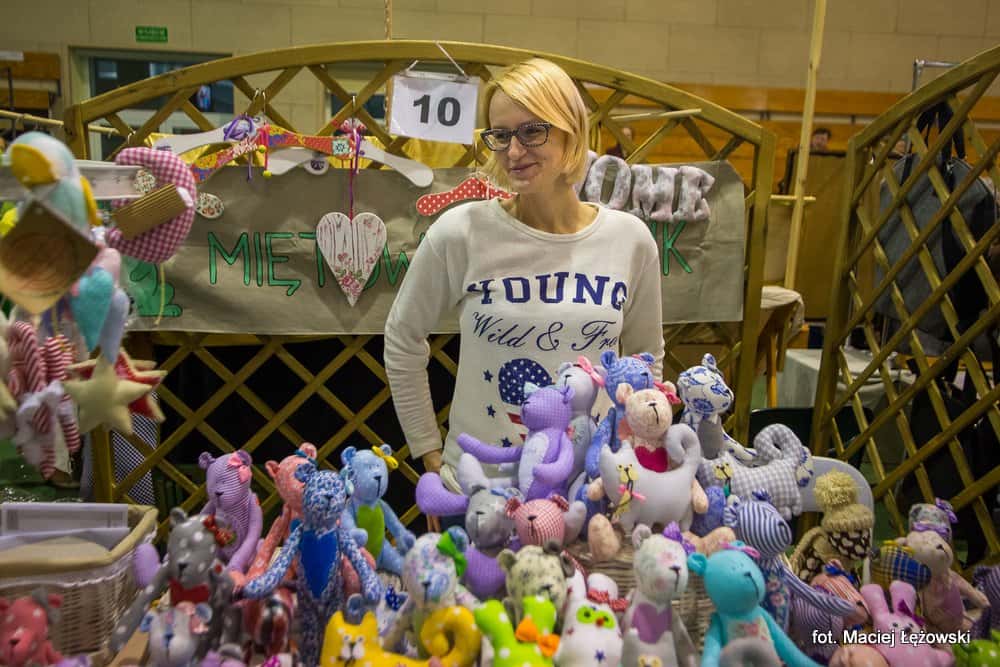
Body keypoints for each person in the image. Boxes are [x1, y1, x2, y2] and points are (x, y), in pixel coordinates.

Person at [383, 58, 665, 531]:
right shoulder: (461, 232)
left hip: (591, 492)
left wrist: (634, 455)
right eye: (500, 134)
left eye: (533, 131)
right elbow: (402, 337)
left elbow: (646, 361)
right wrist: (430, 453)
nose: (514, 151)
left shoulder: (629, 240)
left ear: (571, 132)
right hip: (479, 495)